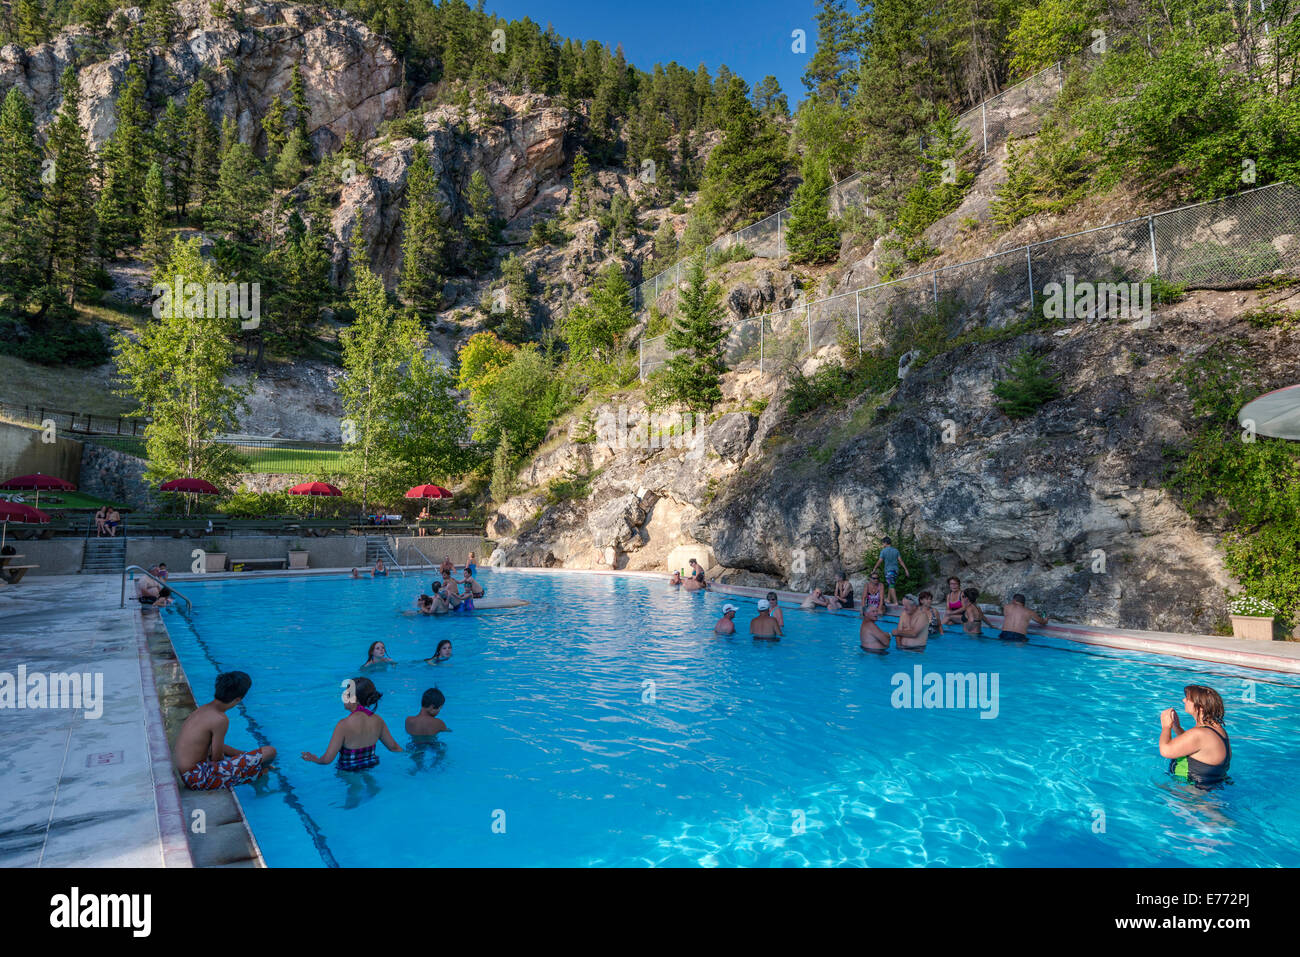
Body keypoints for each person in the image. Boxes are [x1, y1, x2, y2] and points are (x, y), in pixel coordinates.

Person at [174, 672, 275, 790]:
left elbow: (213, 746)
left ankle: (258, 771)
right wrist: (244, 766)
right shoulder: (220, 719)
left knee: (242, 756)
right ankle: (261, 774)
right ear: (238, 699)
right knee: (270, 751)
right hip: (197, 778)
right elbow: (217, 758)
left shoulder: (203, 709)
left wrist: (241, 755)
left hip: (186, 773)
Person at [301, 676, 403, 771]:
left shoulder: (343, 725)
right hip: (371, 765)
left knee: (354, 789)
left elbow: (327, 759)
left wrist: (314, 759)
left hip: (349, 770)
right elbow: (394, 747)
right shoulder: (378, 720)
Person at [1161, 685, 1231, 788]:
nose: (1184, 700)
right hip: (1210, 790)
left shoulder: (1200, 733)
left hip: (1193, 794)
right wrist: (1176, 727)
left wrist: (1166, 727)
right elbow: (1195, 747)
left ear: (1200, 707)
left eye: (1188, 699)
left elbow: (1166, 751)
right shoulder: (1217, 730)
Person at [870, 537, 909, 606]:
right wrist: (906, 569)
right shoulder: (896, 550)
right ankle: (888, 599)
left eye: (883, 543)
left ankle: (895, 602)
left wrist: (874, 569)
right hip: (895, 571)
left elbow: (880, 561)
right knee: (890, 584)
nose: (882, 544)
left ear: (885, 543)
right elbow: (900, 561)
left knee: (891, 586)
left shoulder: (883, 551)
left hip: (889, 571)